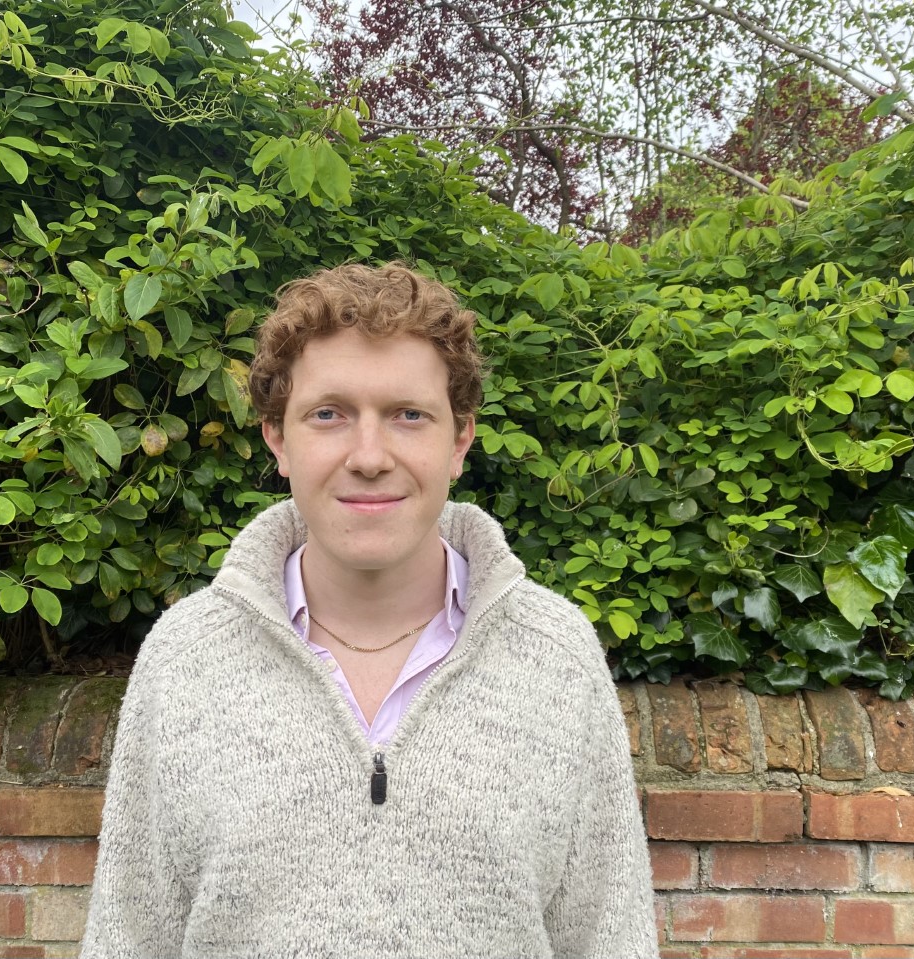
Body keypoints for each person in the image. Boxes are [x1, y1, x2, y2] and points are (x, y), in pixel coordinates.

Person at [79, 262, 657, 958]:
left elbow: (611, 937)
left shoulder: (558, 655)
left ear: (461, 440)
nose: (370, 455)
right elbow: (128, 939)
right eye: (329, 414)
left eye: (409, 415)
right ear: (278, 439)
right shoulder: (184, 658)